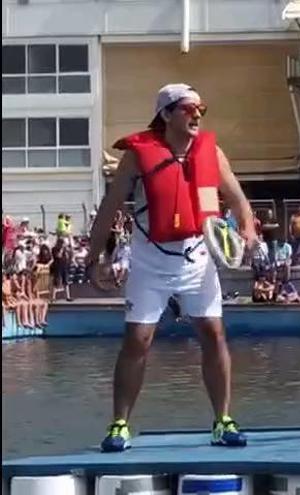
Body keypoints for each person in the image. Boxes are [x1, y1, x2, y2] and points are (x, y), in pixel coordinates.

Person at [87, 83, 256, 452]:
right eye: (187, 109)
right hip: (150, 260)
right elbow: (109, 208)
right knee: (138, 341)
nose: (196, 115)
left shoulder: (213, 152)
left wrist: (247, 228)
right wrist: (95, 255)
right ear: (165, 114)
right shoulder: (137, 156)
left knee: (214, 334)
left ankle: (222, 421)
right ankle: (119, 425)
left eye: (200, 109)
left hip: (197, 257)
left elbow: (238, 198)